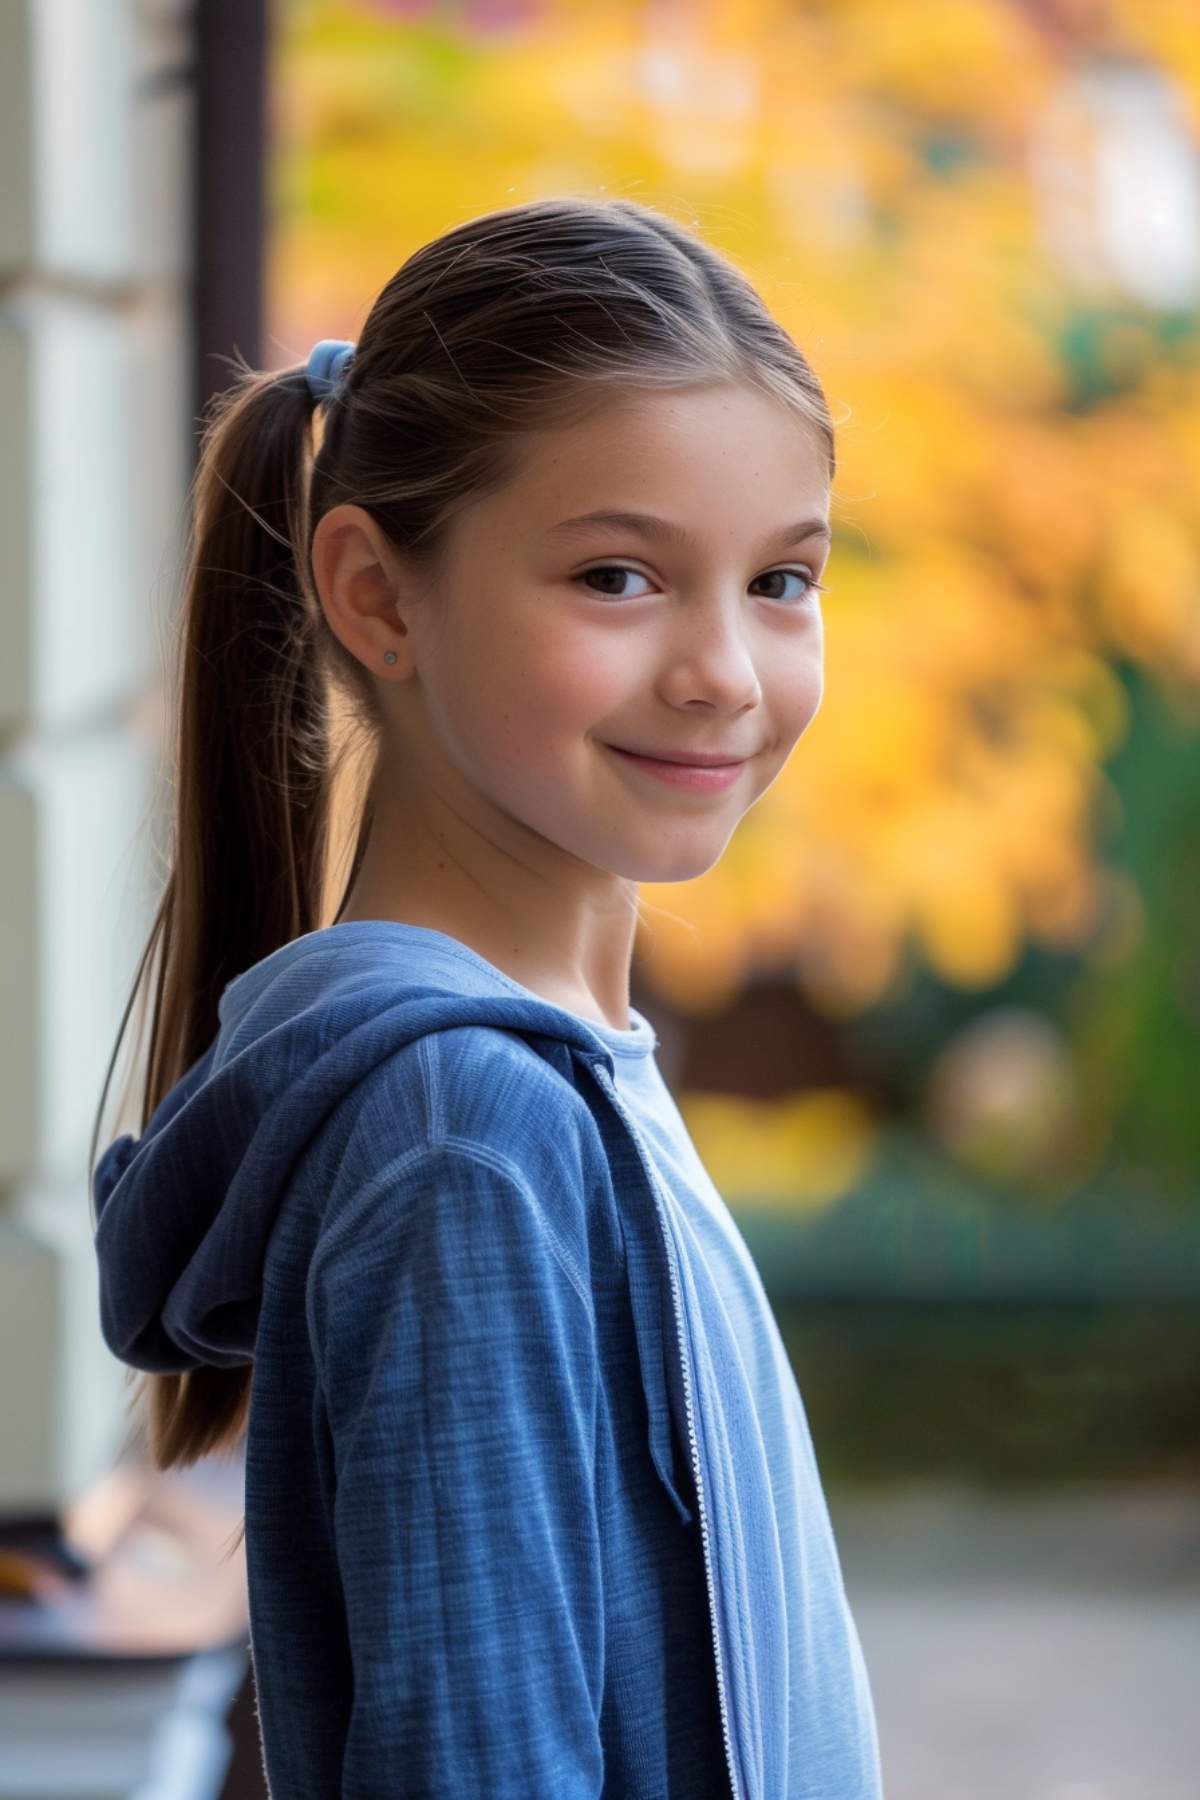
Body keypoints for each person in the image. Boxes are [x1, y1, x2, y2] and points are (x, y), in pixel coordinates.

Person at [89, 195, 883, 1799]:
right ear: (379, 597)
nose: (726, 669)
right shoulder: (467, 1135)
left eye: (782, 582)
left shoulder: (560, 1082)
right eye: (617, 575)